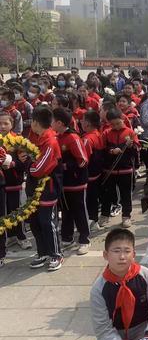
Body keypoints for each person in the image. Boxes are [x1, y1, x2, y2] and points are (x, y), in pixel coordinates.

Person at [89, 228, 148, 340]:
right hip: (116, 332)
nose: (122, 257)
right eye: (116, 251)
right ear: (105, 255)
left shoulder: (145, 275)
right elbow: (103, 329)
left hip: (143, 328)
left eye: (127, 251)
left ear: (134, 254)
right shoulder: (98, 288)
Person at [21, 107, 64, 271]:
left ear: (36, 123)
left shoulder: (50, 141)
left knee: (47, 222)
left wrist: (27, 164)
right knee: (34, 221)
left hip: (47, 188)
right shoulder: (36, 136)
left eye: (32, 121)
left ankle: (56, 254)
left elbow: (39, 169)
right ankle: (43, 252)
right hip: (34, 187)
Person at [52, 108, 91, 255]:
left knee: (79, 210)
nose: (50, 124)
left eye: (52, 121)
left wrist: (65, 166)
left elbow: (83, 160)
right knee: (66, 211)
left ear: (60, 123)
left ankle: (84, 239)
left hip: (76, 181)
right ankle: (67, 238)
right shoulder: (56, 136)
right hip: (63, 182)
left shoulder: (73, 138)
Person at [100, 109, 140, 229]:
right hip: (109, 170)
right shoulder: (106, 133)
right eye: (113, 124)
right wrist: (112, 151)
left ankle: (126, 216)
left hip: (125, 170)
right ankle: (104, 215)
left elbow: (137, 148)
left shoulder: (130, 132)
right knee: (107, 194)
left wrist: (132, 145)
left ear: (123, 119)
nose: (116, 126)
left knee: (126, 194)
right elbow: (103, 149)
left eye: (118, 123)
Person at [0, 112, 31, 251]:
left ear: (12, 124)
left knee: (16, 209)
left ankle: (21, 236)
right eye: (0, 123)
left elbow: (25, 163)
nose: (2, 126)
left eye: (5, 123)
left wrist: (12, 164)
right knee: (3, 211)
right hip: (1, 183)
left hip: (14, 181)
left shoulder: (18, 140)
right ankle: (9, 236)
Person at [82, 111, 105, 231]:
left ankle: (91, 220)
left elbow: (84, 159)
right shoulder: (98, 134)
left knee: (89, 199)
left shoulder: (87, 139)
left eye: (83, 119)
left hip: (89, 174)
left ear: (88, 123)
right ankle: (94, 219)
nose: (81, 122)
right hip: (98, 173)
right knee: (94, 198)